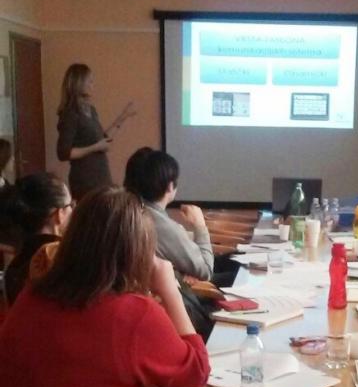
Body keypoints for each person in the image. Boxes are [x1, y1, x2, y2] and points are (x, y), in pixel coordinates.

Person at [0, 186, 209, 387]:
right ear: (137, 251)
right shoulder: (135, 313)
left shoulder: (31, 295)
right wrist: (170, 290)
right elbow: (196, 373)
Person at [123, 147, 214, 280]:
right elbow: (206, 270)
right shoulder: (156, 222)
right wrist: (200, 226)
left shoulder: (128, 210)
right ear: (170, 186)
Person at [56, 63, 136, 200]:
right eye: (90, 81)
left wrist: (123, 117)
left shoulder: (90, 110)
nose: (92, 85)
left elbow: (102, 139)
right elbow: (63, 153)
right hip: (85, 180)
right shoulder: (70, 114)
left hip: (102, 177)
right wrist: (95, 147)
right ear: (79, 83)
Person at [0, 172, 73, 305]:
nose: (73, 210)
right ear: (59, 214)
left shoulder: (14, 267)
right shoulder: (67, 259)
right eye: (70, 205)